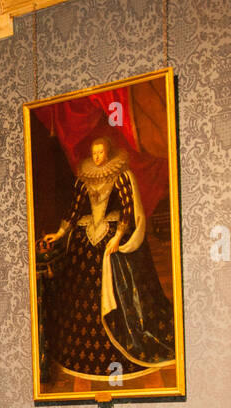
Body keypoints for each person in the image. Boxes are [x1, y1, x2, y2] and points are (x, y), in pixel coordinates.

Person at [39, 136, 175, 381]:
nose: (97, 157)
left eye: (101, 152)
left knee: (112, 260)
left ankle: (122, 330)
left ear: (108, 153)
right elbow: (74, 208)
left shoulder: (122, 175)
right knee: (79, 262)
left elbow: (127, 210)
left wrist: (118, 238)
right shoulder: (84, 178)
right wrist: (59, 233)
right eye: (94, 152)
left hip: (113, 232)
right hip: (88, 230)